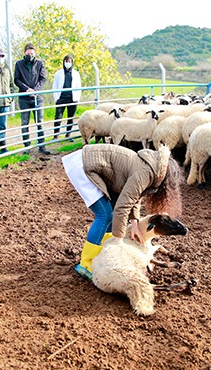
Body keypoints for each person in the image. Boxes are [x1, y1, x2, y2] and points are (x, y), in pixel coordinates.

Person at [62, 144, 183, 280]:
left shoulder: (152, 167)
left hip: (91, 164)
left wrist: (135, 223)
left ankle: (102, 249)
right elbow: (123, 207)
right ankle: (86, 264)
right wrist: (119, 244)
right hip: (83, 166)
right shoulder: (145, 173)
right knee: (105, 215)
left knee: (111, 213)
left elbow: (134, 197)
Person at [14, 43, 50, 155]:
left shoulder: (39, 64)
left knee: (39, 121)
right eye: (28, 53)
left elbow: (43, 78)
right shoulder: (19, 64)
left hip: (37, 97)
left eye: (32, 53)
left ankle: (41, 145)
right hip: (24, 97)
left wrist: (35, 90)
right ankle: (27, 146)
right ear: (25, 53)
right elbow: (17, 79)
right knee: (25, 122)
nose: (30, 55)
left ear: (35, 53)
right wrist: (26, 89)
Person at [52, 54, 81, 140]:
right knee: (58, 117)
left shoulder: (76, 74)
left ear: (72, 63)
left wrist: (77, 98)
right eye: (66, 61)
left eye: (69, 61)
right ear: (63, 62)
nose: (68, 63)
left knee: (70, 117)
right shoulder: (58, 73)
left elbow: (79, 86)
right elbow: (55, 86)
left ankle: (68, 135)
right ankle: (56, 136)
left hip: (72, 98)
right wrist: (56, 98)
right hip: (61, 98)